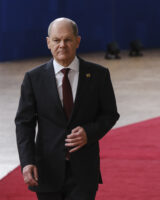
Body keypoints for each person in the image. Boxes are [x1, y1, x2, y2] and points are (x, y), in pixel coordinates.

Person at [15, 17, 120, 200]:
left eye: (68, 39)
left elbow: (109, 114)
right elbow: (24, 123)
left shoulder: (98, 75)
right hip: (46, 171)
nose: (62, 45)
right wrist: (27, 161)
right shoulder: (33, 78)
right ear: (48, 42)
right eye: (56, 40)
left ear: (77, 41)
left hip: (84, 172)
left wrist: (89, 132)